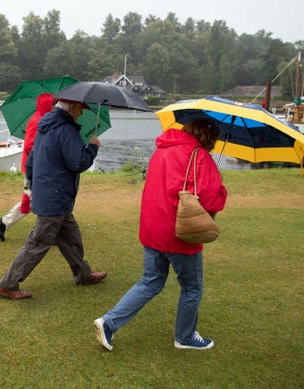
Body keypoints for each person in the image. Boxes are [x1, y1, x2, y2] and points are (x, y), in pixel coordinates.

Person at [93, 117, 227, 351]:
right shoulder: (199, 156)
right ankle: (184, 337)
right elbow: (212, 199)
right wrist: (219, 188)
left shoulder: (162, 150)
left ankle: (109, 323)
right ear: (209, 135)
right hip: (180, 231)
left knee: (150, 281)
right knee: (192, 287)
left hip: (153, 228)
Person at [0, 99, 108, 299]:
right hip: (55, 195)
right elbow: (78, 162)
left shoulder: (45, 126)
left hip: (53, 193)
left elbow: (31, 159)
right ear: (71, 108)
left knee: (71, 237)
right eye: (80, 109)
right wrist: (92, 147)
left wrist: (33, 184)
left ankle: (83, 273)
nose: (81, 113)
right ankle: (8, 284)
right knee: (38, 243)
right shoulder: (65, 130)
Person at [0, 93, 55, 241]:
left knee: (38, 199)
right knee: (32, 200)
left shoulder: (42, 118)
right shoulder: (38, 121)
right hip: (33, 167)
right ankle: (3, 222)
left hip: (36, 166)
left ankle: (47, 232)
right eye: (52, 104)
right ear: (46, 105)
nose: (54, 107)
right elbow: (29, 146)